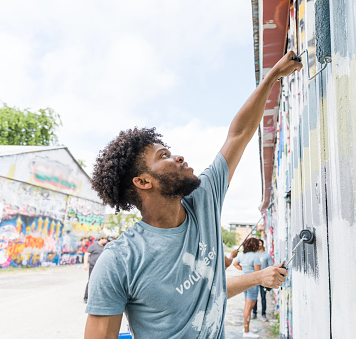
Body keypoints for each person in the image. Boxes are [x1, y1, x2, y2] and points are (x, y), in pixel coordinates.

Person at [84, 51, 302, 339]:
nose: (178, 157)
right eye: (164, 156)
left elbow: (238, 134)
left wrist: (272, 77)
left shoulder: (205, 199)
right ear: (143, 181)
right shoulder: (120, 260)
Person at [233, 238, 261, 338]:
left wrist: (244, 270)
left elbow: (235, 264)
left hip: (244, 281)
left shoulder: (241, 255)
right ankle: (246, 331)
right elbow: (258, 273)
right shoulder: (255, 256)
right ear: (255, 246)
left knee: (247, 305)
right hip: (252, 283)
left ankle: (247, 327)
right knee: (249, 307)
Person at [83, 236, 108, 303]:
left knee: (102, 282)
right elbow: (86, 254)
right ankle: (86, 297)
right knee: (91, 281)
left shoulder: (106, 246)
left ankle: (99, 297)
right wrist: (85, 264)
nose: (106, 240)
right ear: (100, 239)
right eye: (105, 239)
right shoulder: (93, 246)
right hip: (93, 266)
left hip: (102, 267)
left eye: (106, 239)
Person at [252, 239, 273, 321]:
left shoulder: (267, 255)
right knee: (254, 297)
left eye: (260, 242)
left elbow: (271, 266)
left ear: (262, 244)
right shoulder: (254, 254)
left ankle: (263, 314)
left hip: (264, 279)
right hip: (255, 279)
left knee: (263, 297)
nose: (259, 244)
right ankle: (254, 313)